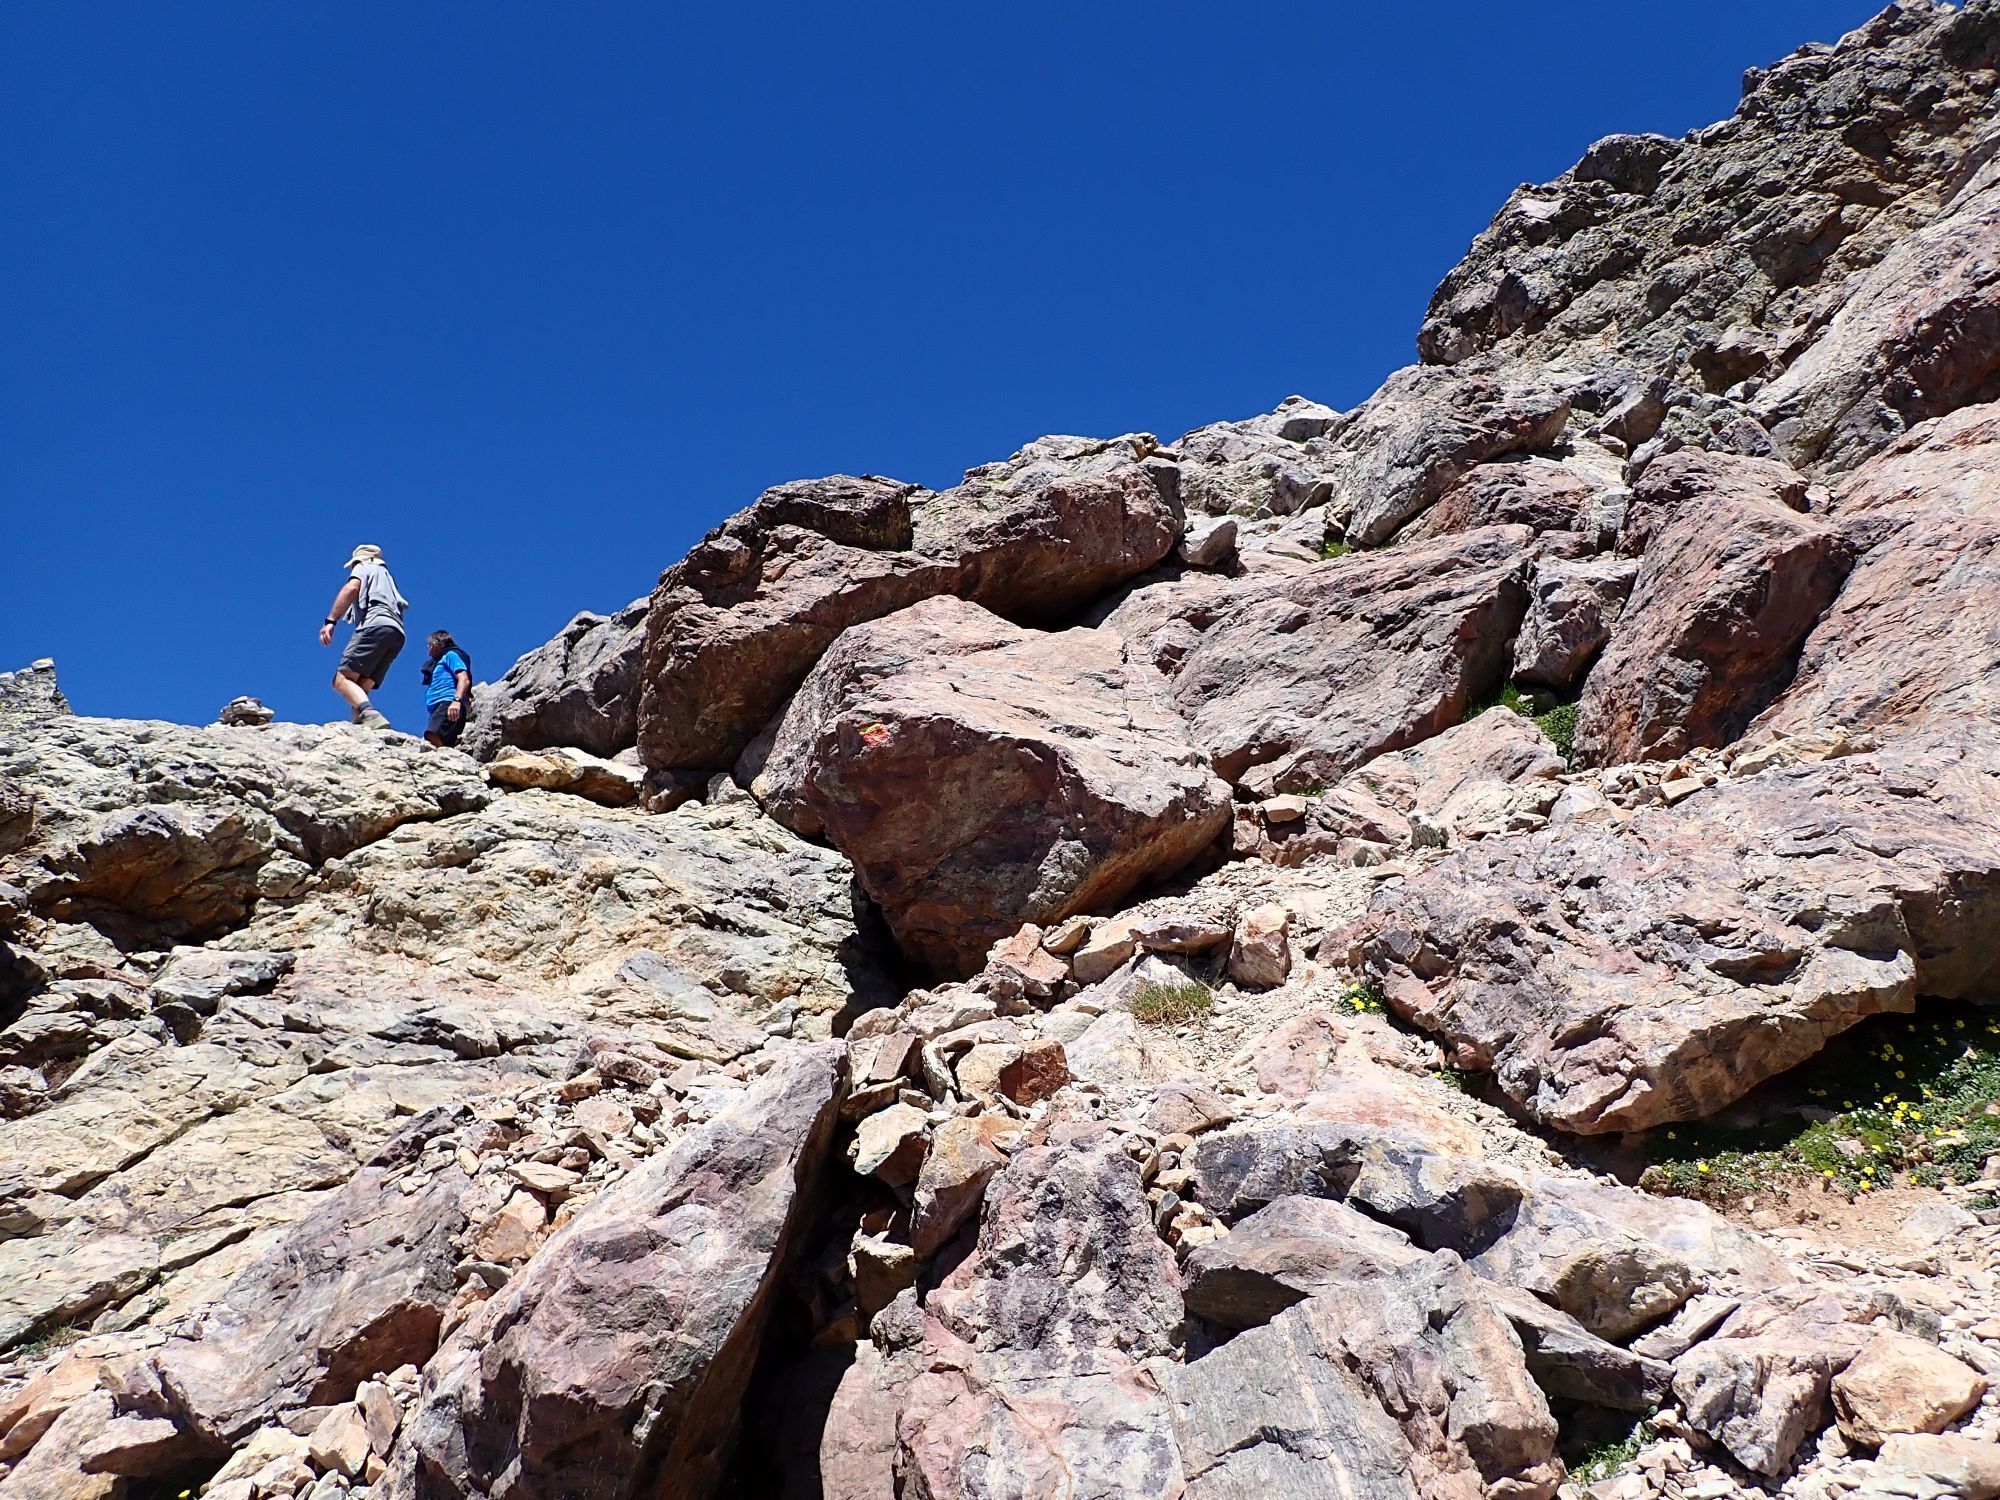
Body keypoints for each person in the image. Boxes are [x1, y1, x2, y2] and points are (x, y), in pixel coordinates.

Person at [319, 544, 408, 729]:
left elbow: (351, 588)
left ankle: (369, 713)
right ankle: (362, 726)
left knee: (341, 680)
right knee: (361, 685)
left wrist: (330, 621)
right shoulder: (387, 577)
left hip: (374, 625)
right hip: (396, 633)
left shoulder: (364, 567)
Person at [420, 631, 473, 747]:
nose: (428, 649)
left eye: (429, 645)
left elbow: (464, 678)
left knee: (432, 736)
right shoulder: (440, 660)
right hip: (442, 708)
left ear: (435, 643)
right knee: (441, 743)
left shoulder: (450, 655)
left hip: (448, 705)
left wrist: (456, 701)